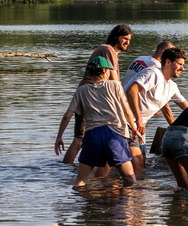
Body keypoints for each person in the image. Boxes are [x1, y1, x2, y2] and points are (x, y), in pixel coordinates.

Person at [55, 56, 139, 187]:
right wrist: (134, 129)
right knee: (130, 180)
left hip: (92, 136)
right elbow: (127, 111)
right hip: (114, 135)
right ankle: (124, 206)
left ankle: (83, 206)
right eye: (109, 71)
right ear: (105, 71)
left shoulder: (81, 90)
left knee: (81, 181)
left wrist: (59, 137)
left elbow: (67, 116)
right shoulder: (115, 85)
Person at [63, 24, 133, 165]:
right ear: (115, 37)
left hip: (93, 97)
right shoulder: (108, 50)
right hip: (89, 97)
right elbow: (115, 82)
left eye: (129, 39)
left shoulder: (109, 52)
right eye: (124, 38)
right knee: (79, 139)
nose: (127, 42)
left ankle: (91, 171)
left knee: (86, 138)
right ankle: (65, 169)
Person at [125, 46, 188, 175]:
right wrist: (139, 120)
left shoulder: (172, 87)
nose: (182, 68)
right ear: (168, 62)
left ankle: (126, 190)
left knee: (136, 164)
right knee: (136, 164)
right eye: (179, 64)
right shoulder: (153, 73)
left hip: (133, 125)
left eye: (183, 65)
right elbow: (131, 90)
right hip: (122, 120)